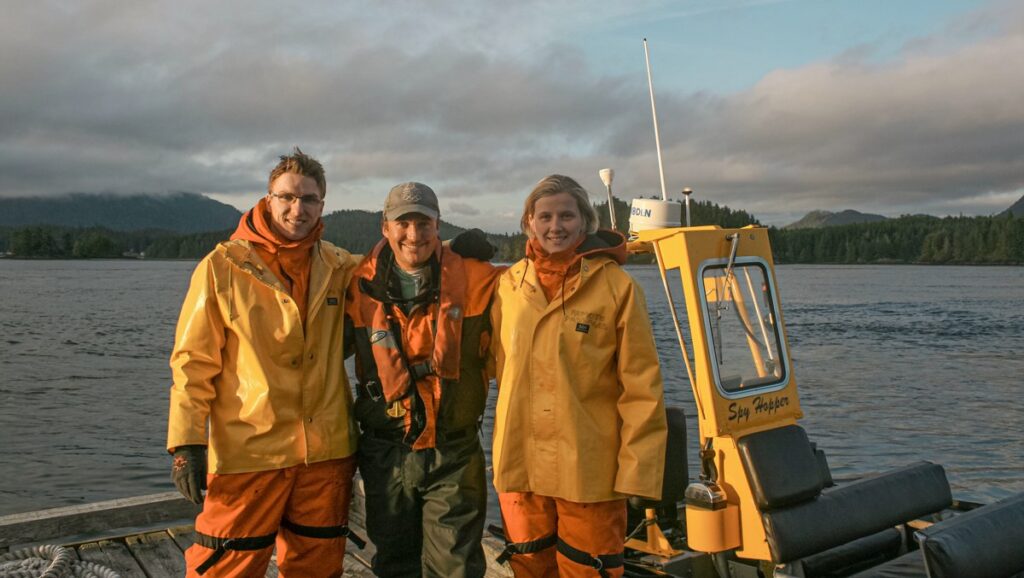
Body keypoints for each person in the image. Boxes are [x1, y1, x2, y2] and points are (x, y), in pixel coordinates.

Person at [167, 148, 363, 577]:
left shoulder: (340, 265)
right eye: (287, 197)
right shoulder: (222, 267)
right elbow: (192, 363)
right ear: (268, 198)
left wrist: (451, 249)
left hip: (327, 452)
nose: (298, 208)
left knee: (318, 565)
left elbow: (403, 257)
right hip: (249, 451)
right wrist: (186, 443)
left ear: (322, 205)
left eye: (309, 199)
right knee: (225, 565)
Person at [490, 174, 668, 578]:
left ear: (585, 221)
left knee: (589, 571)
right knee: (529, 567)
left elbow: (641, 388)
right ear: (528, 223)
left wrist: (638, 472)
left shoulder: (617, 289)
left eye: (567, 215)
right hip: (520, 466)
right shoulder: (508, 286)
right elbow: (498, 366)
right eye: (545, 216)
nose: (556, 226)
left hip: (589, 472)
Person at [346, 182, 501, 578]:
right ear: (385, 227)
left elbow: (541, 277)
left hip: (454, 450)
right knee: (393, 564)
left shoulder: (480, 277)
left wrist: (594, 247)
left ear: (438, 225)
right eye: (403, 223)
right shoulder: (353, 282)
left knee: (456, 567)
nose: (413, 235)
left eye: (423, 223)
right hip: (386, 450)